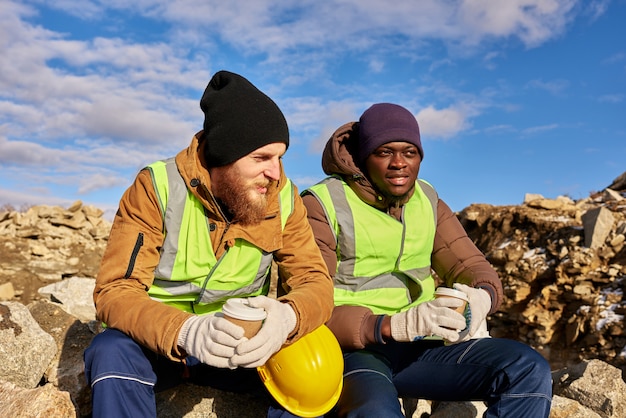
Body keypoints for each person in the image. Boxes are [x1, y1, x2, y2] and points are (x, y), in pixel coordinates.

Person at [84, 70, 334, 418]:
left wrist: (287, 317)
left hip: (243, 348)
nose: (275, 173)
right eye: (261, 158)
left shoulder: (284, 199)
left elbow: (315, 283)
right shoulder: (156, 186)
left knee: (314, 370)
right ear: (223, 157)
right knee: (111, 351)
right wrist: (185, 331)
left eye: (279, 157)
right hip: (160, 343)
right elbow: (115, 290)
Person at [301, 103, 552, 417]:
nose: (399, 164)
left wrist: (481, 298)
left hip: (421, 347)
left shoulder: (427, 200)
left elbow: (471, 266)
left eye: (410, 152)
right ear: (364, 156)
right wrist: (388, 325)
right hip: (353, 350)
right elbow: (309, 303)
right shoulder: (321, 204)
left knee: (526, 368)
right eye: (384, 152)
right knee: (375, 410)